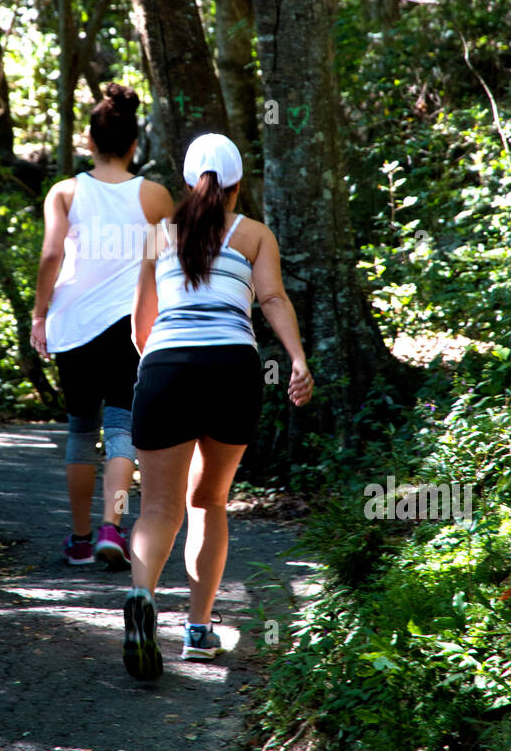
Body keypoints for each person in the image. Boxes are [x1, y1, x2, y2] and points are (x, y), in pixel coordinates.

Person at [122, 133, 313, 679]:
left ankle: (141, 598)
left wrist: (158, 370)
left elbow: (142, 323)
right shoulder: (253, 233)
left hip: (165, 368)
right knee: (208, 499)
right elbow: (273, 298)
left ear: (186, 182)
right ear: (237, 186)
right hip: (232, 369)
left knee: (159, 508)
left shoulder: (160, 236)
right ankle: (199, 631)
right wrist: (297, 359)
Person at [31, 84, 174, 567]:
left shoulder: (65, 192)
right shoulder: (155, 197)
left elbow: (52, 254)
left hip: (73, 326)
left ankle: (79, 539)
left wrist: (39, 314)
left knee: (78, 431)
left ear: (89, 141)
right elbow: (171, 264)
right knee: (120, 431)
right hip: (132, 328)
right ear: (136, 144)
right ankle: (112, 528)